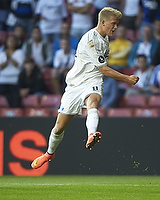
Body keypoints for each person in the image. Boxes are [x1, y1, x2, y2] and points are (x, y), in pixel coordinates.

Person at [31, 7, 139, 169]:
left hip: (93, 79)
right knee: (59, 128)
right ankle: (49, 153)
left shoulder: (105, 37)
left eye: (117, 24)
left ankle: (91, 134)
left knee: (93, 103)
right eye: (113, 24)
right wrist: (127, 78)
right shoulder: (91, 40)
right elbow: (104, 68)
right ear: (103, 23)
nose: (116, 27)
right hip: (75, 84)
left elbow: (99, 71)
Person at [0, 35, 25, 108]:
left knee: (14, 96)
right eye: (9, 41)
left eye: (13, 41)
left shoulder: (20, 52)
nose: (11, 42)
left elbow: (19, 65)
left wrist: (10, 57)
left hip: (15, 80)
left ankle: (15, 111)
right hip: (3, 80)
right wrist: (7, 60)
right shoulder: (2, 53)